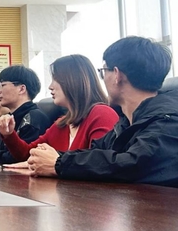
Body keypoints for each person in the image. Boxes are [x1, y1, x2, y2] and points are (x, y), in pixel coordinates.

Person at [28, 36, 178, 187]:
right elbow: (94, 153)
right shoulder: (125, 123)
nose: (103, 79)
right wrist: (50, 157)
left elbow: (131, 165)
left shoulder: (168, 122)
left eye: (103, 71)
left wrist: (59, 163)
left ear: (117, 75)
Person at [0, 55, 118, 164]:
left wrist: (56, 161)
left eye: (55, 80)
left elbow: (98, 163)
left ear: (73, 80)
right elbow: (27, 154)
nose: (50, 86)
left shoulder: (102, 114)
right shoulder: (62, 123)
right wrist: (9, 134)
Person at [0, 66, 51, 164]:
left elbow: (23, 157)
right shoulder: (8, 118)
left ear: (21, 89)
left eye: (2, 85)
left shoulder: (34, 118)